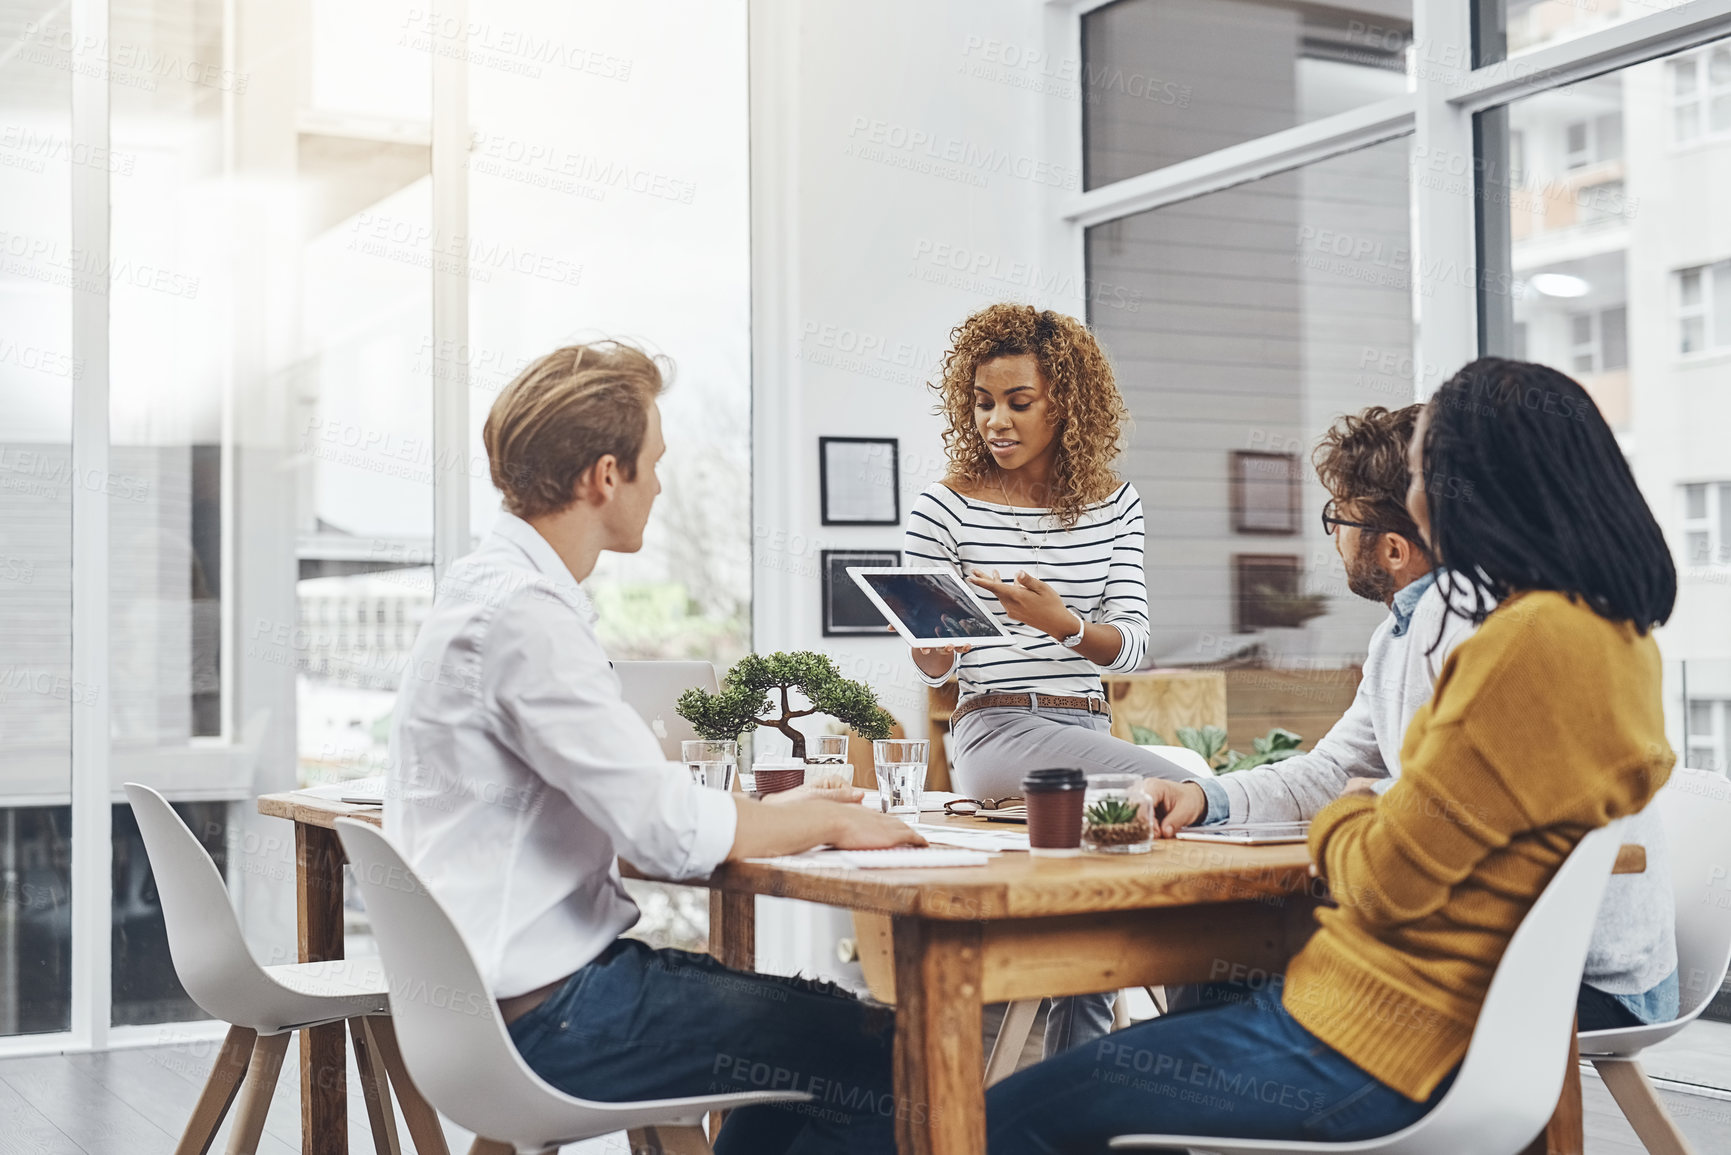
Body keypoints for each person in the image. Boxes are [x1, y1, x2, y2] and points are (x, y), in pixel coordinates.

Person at [985, 357, 1678, 1152]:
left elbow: (1388, 873)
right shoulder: (1606, 630)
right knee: (1205, 991)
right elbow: (1380, 790)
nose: (1416, 499)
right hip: (1431, 1007)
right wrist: (1247, 798)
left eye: (1426, 475)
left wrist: (1357, 807)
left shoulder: (1516, 641)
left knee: (1012, 1114)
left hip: (1400, 1033)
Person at [385, 341, 925, 1155]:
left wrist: (765, 814)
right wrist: (829, 820)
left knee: (800, 1033)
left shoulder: (479, 590)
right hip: (552, 1020)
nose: (660, 484)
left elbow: (636, 799)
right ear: (605, 475)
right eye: (654, 463)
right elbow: (664, 833)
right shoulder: (527, 616)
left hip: (480, 1016)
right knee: (890, 1054)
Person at [1144, 404, 1679, 1031]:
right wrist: (1204, 798)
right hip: (1525, 950)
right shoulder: (1403, 633)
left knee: (1225, 971)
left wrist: (1369, 798)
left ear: (1394, 548)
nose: (1334, 537)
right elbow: (1335, 773)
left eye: (1336, 519)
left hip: (1578, 974)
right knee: (1227, 970)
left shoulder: (1481, 630)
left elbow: (1452, 804)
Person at [903, 303, 1197, 1057]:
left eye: (1017, 401)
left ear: (1064, 402)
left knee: (1090, 910)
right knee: (1198, 799)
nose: (995, 420)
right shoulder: (945, 506)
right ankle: (1187, 1046)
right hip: (996, 730)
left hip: (1086, 729)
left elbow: (1130, 647)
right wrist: (935, 650)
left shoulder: (1114, 503)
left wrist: (1060, 622)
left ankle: (1082, 1094)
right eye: (981, 402)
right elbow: (935, 661)